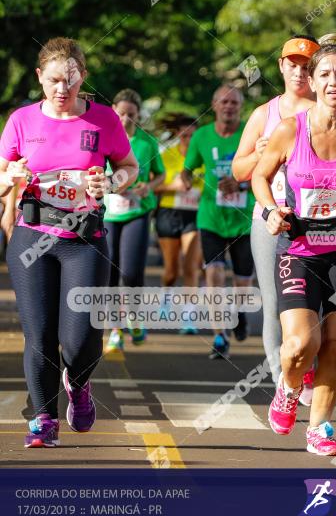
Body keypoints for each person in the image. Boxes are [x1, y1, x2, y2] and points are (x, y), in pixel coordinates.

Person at [252, 34, 336, 457]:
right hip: (299, 247)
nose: (334, 82)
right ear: (312, 82)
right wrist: (271, 209)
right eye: (325, 74)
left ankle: (320, 427)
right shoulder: (289, 130)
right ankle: (289, 387)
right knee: (300, 345)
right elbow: (259, 176)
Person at [0, 37, 138, 447]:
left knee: (80, 341)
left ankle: (78, 384)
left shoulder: (104, 121)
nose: (63, 89)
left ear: (84, 80)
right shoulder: (21, 121)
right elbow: (2, 175)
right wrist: (10, 179)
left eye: (72, 81)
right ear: (40, 77)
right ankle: (44, 418)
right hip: (32, 237)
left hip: (84, 239)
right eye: (55, 80)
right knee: (39, 335)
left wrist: (109, 181)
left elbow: (129, 167)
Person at [233, 35, 319, 386]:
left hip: (319, 221)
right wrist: (260, 153)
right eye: (292, 65)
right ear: (281, 66)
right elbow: (239, 171)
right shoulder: (263, 114)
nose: (298, 73)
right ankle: (285, 383)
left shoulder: (328, 111)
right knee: (275, 303)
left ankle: (308, 369)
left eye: (306, 67)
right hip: (271, 220)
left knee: (317, 305)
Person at [179, 84, 254, 358]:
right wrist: (187, 180)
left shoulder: (250, 134)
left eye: (234, 102)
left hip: (245, 219)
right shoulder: (201, 136)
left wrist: (240, 185)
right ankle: (219, 336)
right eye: (224, 102)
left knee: (243, 282)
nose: (229, 106)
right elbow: (189, 168)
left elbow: (263, 172)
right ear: (214, 105)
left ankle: (241, 313)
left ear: (240, 107)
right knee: (214, 274)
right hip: (210, 217)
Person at [104, 89, 165, 351]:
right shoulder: (104, 138)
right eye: (121, 113)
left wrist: (147, 187)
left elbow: (160, 175)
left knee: (130, 273)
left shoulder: (147, 142)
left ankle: (134, 316)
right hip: (108, 213)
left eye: (131, 114)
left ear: (138, 115)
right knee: (109, 273)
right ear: (113, 112)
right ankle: (115, 330)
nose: (126, 119)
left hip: (137, 212)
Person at [154, 113, 203, 334]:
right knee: (171, 270)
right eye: (184, 136)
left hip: (195, 214)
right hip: (169, 213)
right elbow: (152, 186)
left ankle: (188, 317)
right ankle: (165, 300)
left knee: (191, 267)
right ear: (178, 135)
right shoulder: (167, 156)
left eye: (193, 135)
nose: (188, 140)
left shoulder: (203, 156)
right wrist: (172, 186)